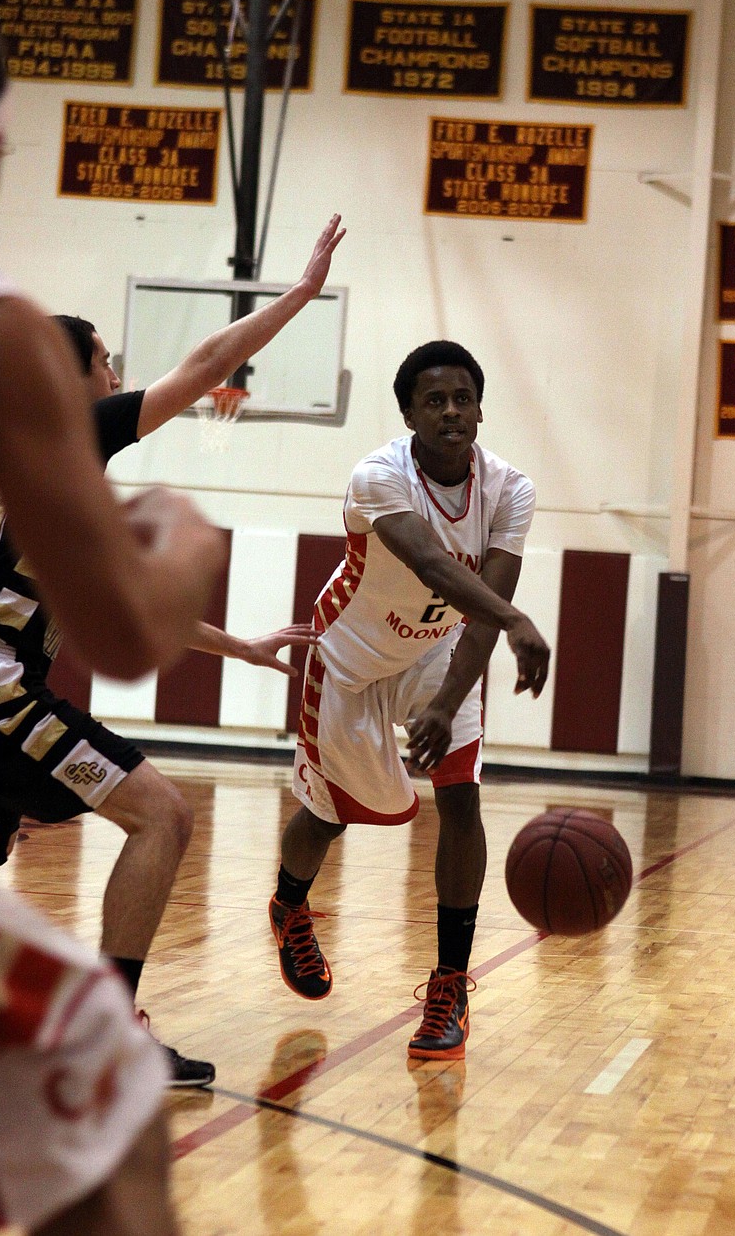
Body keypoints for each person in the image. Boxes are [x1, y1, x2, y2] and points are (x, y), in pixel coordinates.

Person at [0, 215, 345, 1087]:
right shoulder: (70, 435)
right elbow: (204, 369)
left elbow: (127, 596)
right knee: (163, 815)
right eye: (106, 360)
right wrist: (299, 294)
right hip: (0, 695)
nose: (117, 375)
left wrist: (247, 648)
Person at [0, 27, 219, 1236]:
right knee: (111, 1130)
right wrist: (185, 537)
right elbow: (128, 635)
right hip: (0, 694)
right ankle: (123, 1012)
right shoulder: (17, 353)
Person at [269, 339, 550, 1061]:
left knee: (461, 798)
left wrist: (450, 695)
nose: (451, 410)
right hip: (352, 658)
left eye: (463, 397)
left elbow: (486, 606)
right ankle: (290, 904)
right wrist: (519, 621)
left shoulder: (509, 490)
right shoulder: (379, 476)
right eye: (435, 399)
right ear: (409, 414)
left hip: (437, 654)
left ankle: (449, 982)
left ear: (480, 408)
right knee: (332, 815)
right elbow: (428, 561)